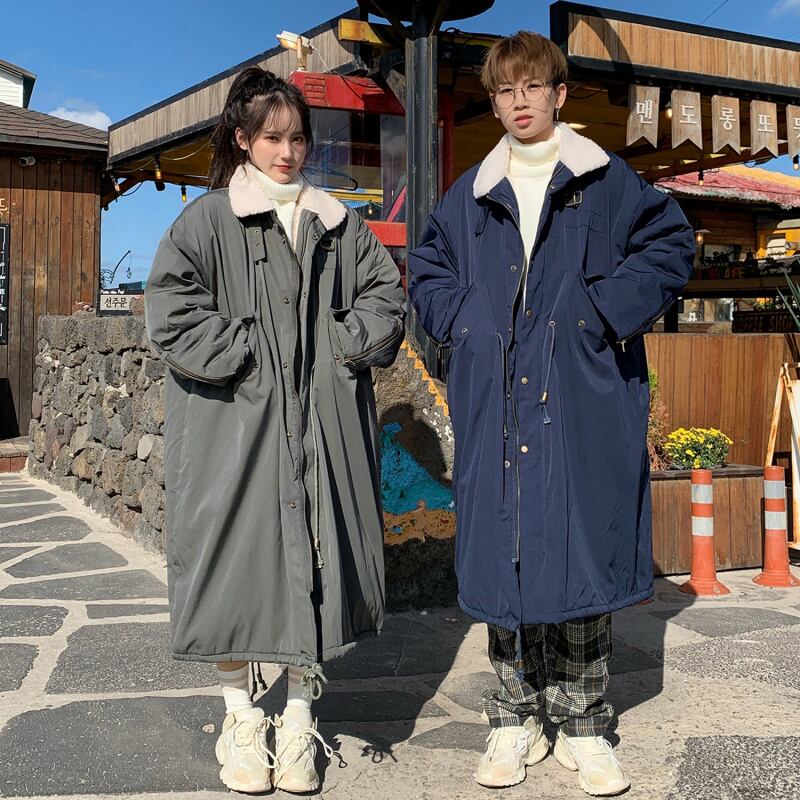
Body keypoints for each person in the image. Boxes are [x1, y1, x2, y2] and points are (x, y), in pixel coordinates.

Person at [407, 31, 694, 797]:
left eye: (533, 86)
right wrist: (465, 321)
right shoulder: (469, 194)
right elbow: (427, 269)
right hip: (498, 402)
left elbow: (670, 245)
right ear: (495, 101)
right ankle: (512, 717)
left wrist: (600, 315)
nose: (520, 101)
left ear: (559, 94)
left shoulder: (605, 180)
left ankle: (584, 723)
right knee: (506, 553)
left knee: (579, 550)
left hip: (578, 398)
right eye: (505, 90)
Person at [145, 66, 405, 794]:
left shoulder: (337, 222)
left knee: (317, 563)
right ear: (242, 139)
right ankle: (240, 718)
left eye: (297, 138)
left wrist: (338, 345)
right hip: (234, 427)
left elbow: (386, 296)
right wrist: (250, 352)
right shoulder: (206, 221)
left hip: (323, 427)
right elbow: (170, 310)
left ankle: (296, 721)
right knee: (232, 563)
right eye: (272, 138)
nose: (288, 152)